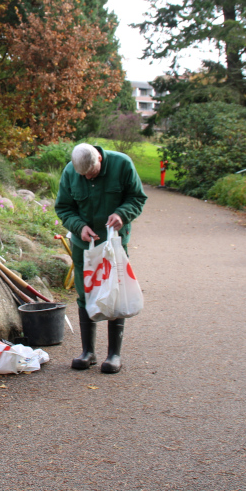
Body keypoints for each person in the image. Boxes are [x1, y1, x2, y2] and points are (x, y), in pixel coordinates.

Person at [55, 142, 148, 373]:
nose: (87, 177)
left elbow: (137, 197)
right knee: (85, 293)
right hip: (84, 244)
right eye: (83, 175)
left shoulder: (122, 164)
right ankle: (88, 352)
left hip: (113, 243)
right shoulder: (70, 172)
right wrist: (79, 227)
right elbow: (64, 208)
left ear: (99, 157)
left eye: (92, 173)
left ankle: (113, 355)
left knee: (114, 291)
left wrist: (122, 214)